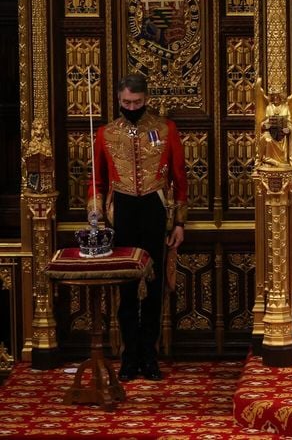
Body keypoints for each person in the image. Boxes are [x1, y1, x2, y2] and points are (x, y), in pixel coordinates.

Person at [88, 73, 187, 382]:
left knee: (154, 290)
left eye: (137, 102)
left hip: (155, 210)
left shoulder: (164, 129)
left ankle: (149, 355)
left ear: (146, 100)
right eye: (126, 102)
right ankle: (129, 357)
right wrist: (95, 214)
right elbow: (97, 182)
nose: (131, 106)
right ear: (119, 101)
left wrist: (180, 222)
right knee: (127, 289)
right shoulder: (105, 133)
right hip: (122, 213)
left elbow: (180, 179)